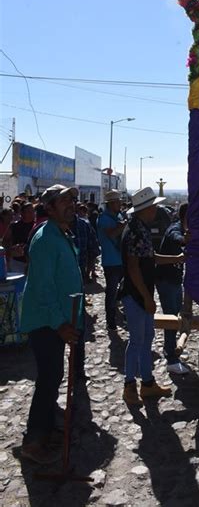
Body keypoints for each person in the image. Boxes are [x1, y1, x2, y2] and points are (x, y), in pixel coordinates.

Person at [20, 185, 83, 464]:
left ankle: (45, 431)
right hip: (47, 322)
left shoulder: (61, 234)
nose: (71, 204)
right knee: (48, 380)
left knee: (53, 376)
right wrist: (60, 323)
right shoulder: (45, 238)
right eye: (64, 200)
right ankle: (34, 442)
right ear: (49, 207)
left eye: (72, 199)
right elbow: (43, 288)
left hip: (58, 319)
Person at [121, 187, 184, 406]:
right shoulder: (136, 232)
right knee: (137, 341)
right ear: (145, 208)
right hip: (136, 294)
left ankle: (147, 384)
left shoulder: (140, 229)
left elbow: (151, 258)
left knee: (145, 340)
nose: (156, 209)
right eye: (153, 206)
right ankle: (130, 386)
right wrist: (147, 297)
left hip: (141, 293)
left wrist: (177, 258)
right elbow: (133, 268)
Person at [156, 203, 189, 374]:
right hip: (167, 281)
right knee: (171, 319)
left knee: (176, 316)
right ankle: (171, 359)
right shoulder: (175, 229)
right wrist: (187, 240)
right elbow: (178, 238)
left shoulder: (181, 228)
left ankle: (169, 348)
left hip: (174, 280)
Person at [97, 190, 127, 330]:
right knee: (111, 292)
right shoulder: (103, 219)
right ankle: (111, 321)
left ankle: (123, 315)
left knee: (123, 289)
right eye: (118, 201)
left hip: (121, 259)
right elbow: (112, 234)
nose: (120, 204)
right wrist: (123, 226)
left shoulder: (119, 215)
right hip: (110, 261)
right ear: (111, 204)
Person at [5, 202, 35, 273]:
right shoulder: (14, 226)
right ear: (22, 213)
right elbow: (5, 241)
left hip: (33, 262)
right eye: (29, 211)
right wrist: (10, 250)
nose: (32, 213)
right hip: (17, 262)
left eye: (33, 211)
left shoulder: (37, 226)